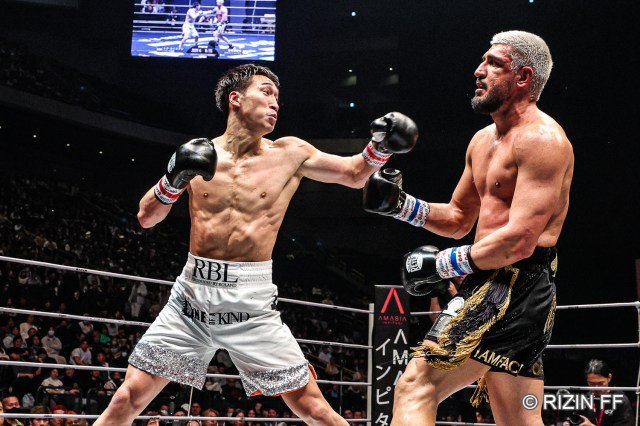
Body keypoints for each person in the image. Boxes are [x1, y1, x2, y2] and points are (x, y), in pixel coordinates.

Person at [93, 63, 417, 426]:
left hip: (251, 304)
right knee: (126, 398)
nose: (275, 102)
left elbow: (355, 174)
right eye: (266, 92)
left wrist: (380, 146)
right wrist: (173, 179)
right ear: (235, 99)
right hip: (190, 300)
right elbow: (146, 217)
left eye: (278, 97)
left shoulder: (290, 153)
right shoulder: (200, 154)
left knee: (314, 410)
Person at [363, 30, 573, 425]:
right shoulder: (482, 141)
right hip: (499, 282)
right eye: (483, 61)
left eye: (494, 64)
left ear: (523, 77)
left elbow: (520, 241)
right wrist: (401, 206)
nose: (479, 71)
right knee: (519, 420)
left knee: (416, 386)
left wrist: (443, 264)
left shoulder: (543, 140)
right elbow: (459, 218)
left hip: (513, 284)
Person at [561, 359, 633, 426]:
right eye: (591, 384)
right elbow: (577, 420)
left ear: (609, 378)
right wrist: (569, 423)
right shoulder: (586, 399)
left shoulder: (621, 400)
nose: (596, 388)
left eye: (600, 383)